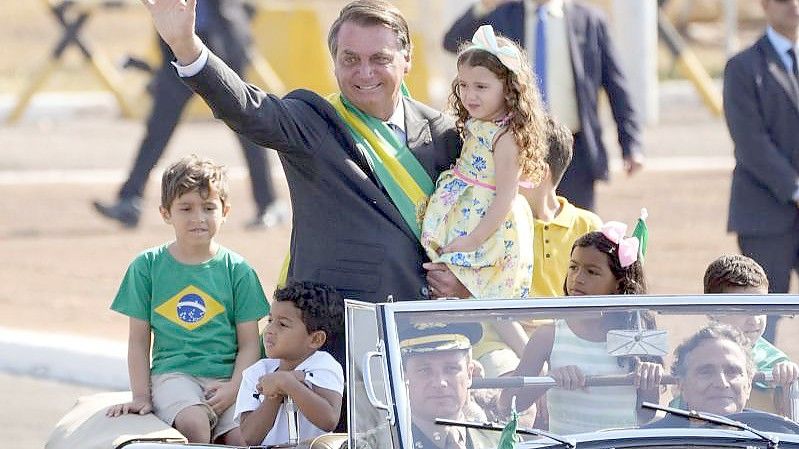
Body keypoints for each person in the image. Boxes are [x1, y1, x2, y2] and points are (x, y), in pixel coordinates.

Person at [139, 0, 465, 305]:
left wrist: (464, 280)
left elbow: (488, 223)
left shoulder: (443, 132)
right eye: (350, 59)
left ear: (407, 59)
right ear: (334, 62)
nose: (365, 73)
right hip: (334, 328)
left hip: (423, 328)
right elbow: (248, 109)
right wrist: (185, 46)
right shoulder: (313, 121)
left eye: (380, 59)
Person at [105, 155, 270, 445]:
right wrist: (141, 397)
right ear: (166, 213)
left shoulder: (239, 271)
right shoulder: (147, 267)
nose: (198, 218)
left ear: (225, 211)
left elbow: (249, 343)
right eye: (186, 208)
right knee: (194, 424)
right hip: (174, 377)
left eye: (209, 208)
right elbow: (138, 341)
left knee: (244, 439)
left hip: (228, 379)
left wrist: (234, 387)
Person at [93, 0, 286, 230]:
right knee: (158, 128)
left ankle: (269, 203)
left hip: (221, 44)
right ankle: (129, 200)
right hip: (178, 48)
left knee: (245, 124)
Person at [442, 0, 644, 211]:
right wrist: (484, 5)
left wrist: (632, 144)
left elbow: (616, 85)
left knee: (574, 233)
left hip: (574, 151)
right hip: (516, 148)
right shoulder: (504, 15)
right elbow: (452, 42)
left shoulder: (590, 21)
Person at [502, 223, 662, 433]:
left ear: (619, 284)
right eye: (573, 267)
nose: (578, 278)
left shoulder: (638, 334)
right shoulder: (548, 336)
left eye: (592, 272)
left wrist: (650, 381)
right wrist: (548, 381)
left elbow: (647, 413)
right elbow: (507, 404)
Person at [723, 0, 799, 344]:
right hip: (765, 214)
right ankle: (762, 396)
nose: (794, 6)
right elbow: (750, 141)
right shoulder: (743, 67)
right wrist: (795, 189)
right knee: (761, 324)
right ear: (766, 6)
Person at [234, 280, 345, 447]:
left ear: (315, 339)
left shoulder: (325, 366)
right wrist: (275, 393)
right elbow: (250, 437)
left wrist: (287, 383)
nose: (269, 329)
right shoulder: (256, 372)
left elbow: (328, 420)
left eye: (283, 324)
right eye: (270, 320)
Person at [645, 324, 799, 432]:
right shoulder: (653, 441)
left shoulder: (778, 438)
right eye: (706, 372)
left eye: (733, 371)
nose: (721, 383)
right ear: (681, 385)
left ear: (749, 385)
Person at [701, 255, 799, 415]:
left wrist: (788, 384)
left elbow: (790, 425)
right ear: (713, 311)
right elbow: (679, 416)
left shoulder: (775, 363)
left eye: (761, 307)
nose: (754, 320)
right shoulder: (693, 356)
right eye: (742, 308)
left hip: (760, 438)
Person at [521, 115, 602, 297]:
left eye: (511, 163)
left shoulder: (589, 226)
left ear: (538, 172)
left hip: (570, 326)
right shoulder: (499, 224)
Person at [401, 321, 500, 449]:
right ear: (404, 377)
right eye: (424, 370)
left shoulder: (499, 441)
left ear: (469, 374)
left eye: (451, 369)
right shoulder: (381, 443)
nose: (439, 383)